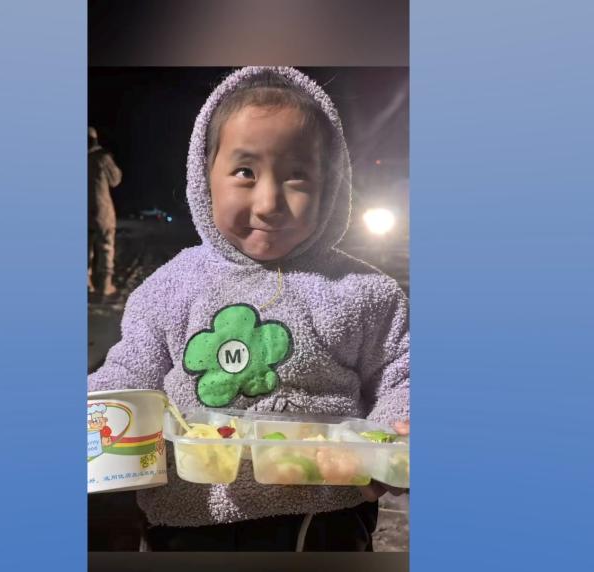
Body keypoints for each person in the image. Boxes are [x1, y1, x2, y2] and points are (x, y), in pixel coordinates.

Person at [87, 67, 409, 551]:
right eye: (245, 173)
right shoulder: (170, 288)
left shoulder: (363, 293)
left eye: (297, 175)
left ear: (330, 184)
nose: (268, 202)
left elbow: (401, 375)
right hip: (188, 516)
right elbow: (131, 372)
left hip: (322, 518)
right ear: (205, 177)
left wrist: (397, 431)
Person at [88, 126, 123, 299]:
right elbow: (115, 180)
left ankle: (87, 285)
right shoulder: (102, 158)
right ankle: (105, 286)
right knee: (105, 246)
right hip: (101, 210)